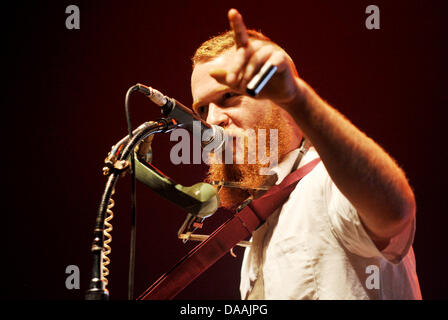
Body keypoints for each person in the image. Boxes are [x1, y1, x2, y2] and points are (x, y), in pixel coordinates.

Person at [190, 8, 421, 299]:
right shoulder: (258, 232)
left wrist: (297, 98)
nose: (212, 120)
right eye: (201, 109)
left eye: (228, 96)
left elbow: (395, 212)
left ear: (277, 99)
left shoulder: (326, 184)